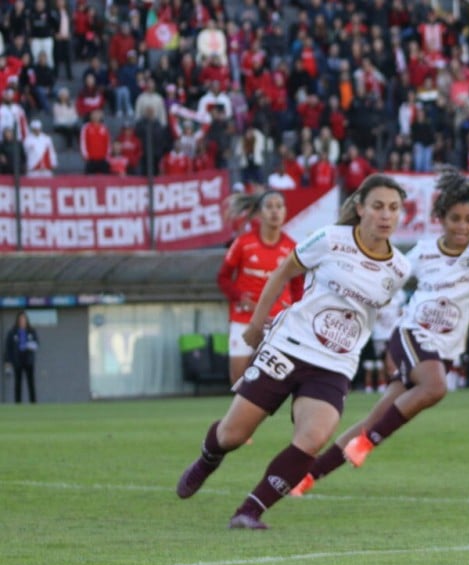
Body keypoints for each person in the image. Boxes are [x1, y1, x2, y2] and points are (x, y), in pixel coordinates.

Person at [289, 168, 469, 496]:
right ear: (441, 220)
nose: (462, 227)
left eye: (468, 219)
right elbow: (386, 282)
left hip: (443, 350)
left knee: (377, 416)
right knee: (435, 387)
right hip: (410, 335)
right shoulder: (423, 252)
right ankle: (367, 444)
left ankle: (305, 478)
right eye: (455, 219)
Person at [175, 174, 411, 529]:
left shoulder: (400, 269)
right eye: (378, 206)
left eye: (393, 208)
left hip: (334, 365)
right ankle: (209, 457)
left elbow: (376, 317)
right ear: (360, 208)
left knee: (314, 437)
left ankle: (249, 511)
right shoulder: (331, 240)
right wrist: (256, 324)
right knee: (233, 435)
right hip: (289, 346)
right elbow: (283, 271)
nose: (386, 215)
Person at [217, 190, 305, 386]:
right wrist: (240, 297)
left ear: (285, 212)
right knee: (238, 380)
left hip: (275, 320)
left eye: (279, 206)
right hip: (244, 318)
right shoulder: (243, 243)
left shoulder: (293, 248)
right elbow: (222, 278)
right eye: (269, 206)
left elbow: (298, 288)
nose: (274, 211)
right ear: (259, 213)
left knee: (272, 382)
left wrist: (295, 313)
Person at [361, 289, 406, 394]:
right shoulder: (376, 295)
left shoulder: (399, 295)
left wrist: (402, 312)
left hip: (392, 334)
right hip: (379, 336)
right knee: (380, 364)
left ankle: (393, 384)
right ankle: (386, 385)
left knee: (391, 362)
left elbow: (404, 310)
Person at [4, 311, 40, 403]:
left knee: (31, 383)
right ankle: (18, 404)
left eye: (24, 319)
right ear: (18, 320)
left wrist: (29, 345)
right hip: (17, 361)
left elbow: (36, 344)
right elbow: (8, 348)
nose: (22, 321)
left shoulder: (31, 331)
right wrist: (7, 363)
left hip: (28, 361)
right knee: (18, 383)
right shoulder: (12, 332)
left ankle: (33, 403)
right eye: (21, 319)